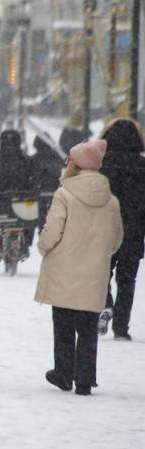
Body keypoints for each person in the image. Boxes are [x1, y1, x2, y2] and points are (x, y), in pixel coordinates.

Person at [35, 139, 123, 396]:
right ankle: (85, 378)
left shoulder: (65, 194)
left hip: (64, 267)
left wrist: (43, 247)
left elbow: (53, 230)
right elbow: (117, 238)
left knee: (62, 323)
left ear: (77, 164)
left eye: (70, 159)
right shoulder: (111, 200)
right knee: (87, 328)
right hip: (94, 272)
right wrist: (99, 255)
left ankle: (63, 374)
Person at [97, 118, 145, 340]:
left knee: (101, 273)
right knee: (127, 281)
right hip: (133, 231)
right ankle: (121, 327)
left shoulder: (100, 166)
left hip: (105, 230)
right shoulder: (142, 167)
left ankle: (105, 304)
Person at [0, 129, 34, 263]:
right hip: (23, 206)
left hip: (0, 206)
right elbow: (34, 181)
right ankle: (26, 244)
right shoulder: (27, 161)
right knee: (31, 219)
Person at [29, 132, 62, 232]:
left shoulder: (33, 159)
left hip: (38, 192)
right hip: (54, 192)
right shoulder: (57, 158)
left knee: (41, 217)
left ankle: (42, 233)